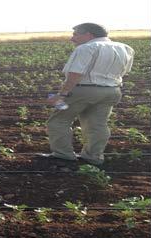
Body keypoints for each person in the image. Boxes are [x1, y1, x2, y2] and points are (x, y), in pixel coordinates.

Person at [38, 23, 134, 165]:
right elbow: (125, 71)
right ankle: (93, 156)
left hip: (83, 90)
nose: (72, 38)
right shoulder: (125, 48)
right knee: (97, 124)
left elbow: (75, 73)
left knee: (59, 120)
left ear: (89, 35)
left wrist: (62, 95)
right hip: (112, 91)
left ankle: (63, 154)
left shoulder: (86, 48)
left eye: (76, 34)